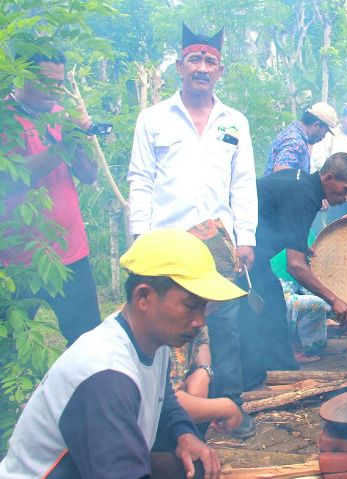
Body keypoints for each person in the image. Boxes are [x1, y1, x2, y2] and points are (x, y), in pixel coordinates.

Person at [0, 229, 246, 478]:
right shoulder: (106, 376)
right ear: (143, 297)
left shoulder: (150, 340)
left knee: (195, 468)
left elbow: (164, 397)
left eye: (204, 307)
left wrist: (185, 434)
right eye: (190, 305)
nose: (200, 321)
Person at [127, 23, 258, 439]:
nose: (202, 67)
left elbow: (243, 183)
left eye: (211, 61)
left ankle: (230, 406)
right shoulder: (153, 119)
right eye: (195, 60)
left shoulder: (234, 121)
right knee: (165, 324)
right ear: (180, 66)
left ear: (220, 71)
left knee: (226, 325)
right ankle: (163, 411)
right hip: (169, 242)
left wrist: (247, 238)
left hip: (219, 243)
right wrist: (139, 237)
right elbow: (141, 179)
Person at [1, 46, 101, 346]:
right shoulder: (4, 117)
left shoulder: (61, 115)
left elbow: (88, 174)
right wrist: (62, 146)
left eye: (60, 83)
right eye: (48, 82)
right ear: (22, 75)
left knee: (87, 344)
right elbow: (13, 176)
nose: (56, 90)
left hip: (72, 253)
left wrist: (79, 136)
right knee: (10, 348)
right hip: (16, 259)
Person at [242, 152, 347, 380]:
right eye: (346, 189)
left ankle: (279, 372)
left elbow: (279, 216)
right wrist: (334, 299)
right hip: (244, 257)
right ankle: (251, 380)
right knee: (252, 316)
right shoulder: (305, 195)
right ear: (328, 178)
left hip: (257, 257)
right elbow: (294, 266)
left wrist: (296, 241)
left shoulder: (301, 181)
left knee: (273, 307)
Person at [265, 102, 338, 176]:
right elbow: (280, 173)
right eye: (325, 131)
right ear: (316, 125)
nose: (324, 136)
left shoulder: (293, 132)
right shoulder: (295, 141)